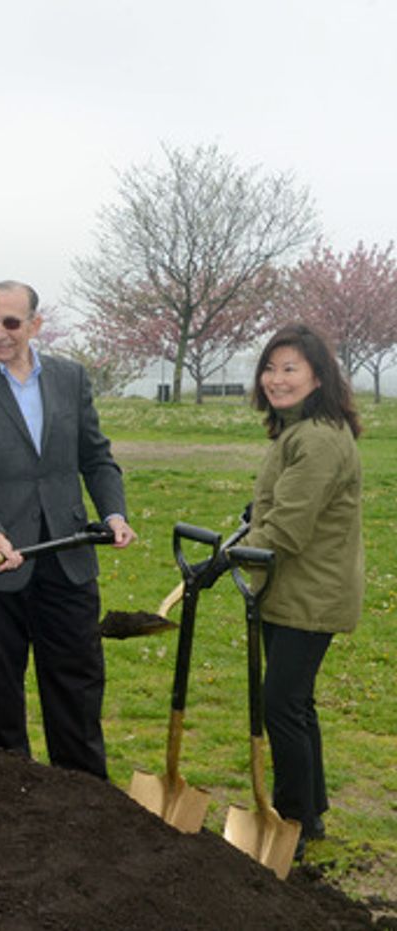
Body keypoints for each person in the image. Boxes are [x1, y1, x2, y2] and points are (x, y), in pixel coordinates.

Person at [0, 280, 136, 779]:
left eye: (10, 322)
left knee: (76, 685)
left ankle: (85, 796)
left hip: (66, 558)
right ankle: (11, 802)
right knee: (0, 692)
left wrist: (113, 513)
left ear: (35, 325)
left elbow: (96, 456)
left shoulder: (70, 378)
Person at [243, 323, 362, 858]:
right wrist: (254, 520)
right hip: (295, 589)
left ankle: (291, 817)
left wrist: (234, 557)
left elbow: (288, 528)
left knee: (281, 706)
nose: (276, 379)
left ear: (318, 376)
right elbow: (277, 504)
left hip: (309, 593)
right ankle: (310, 815)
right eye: (270, 367)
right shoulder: (299, 430)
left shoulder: (315, 438)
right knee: (297, 703)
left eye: (290, 368)